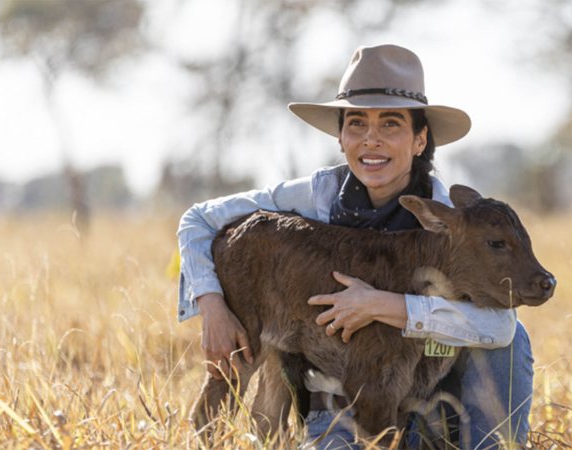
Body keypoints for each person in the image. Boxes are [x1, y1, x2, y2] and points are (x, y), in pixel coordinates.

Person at [177, 44, 535, 449]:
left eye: (391, 125)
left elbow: (502, 327)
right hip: (340, 409)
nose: (371, 141)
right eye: (357, 124)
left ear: (420, 140)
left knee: (514, 337)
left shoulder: (456, 221)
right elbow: (198, 219)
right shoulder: (315, 196)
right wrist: (211, 305)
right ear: (341, 137)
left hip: (431, 408)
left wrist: (384, 305)